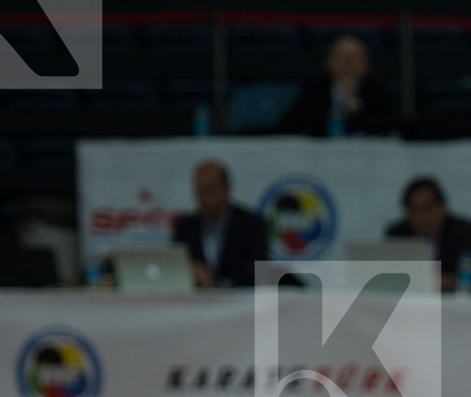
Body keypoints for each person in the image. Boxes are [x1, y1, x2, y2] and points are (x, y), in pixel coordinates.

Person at [172, 159, 271, 289]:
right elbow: (173, 270)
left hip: (241, 305)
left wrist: (215, 285)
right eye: (199, 191)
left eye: (210, 189)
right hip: (195, 306)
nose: (204, 197)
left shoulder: (252, 225)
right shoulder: (186, 227)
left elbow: (257, 273)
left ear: (226, 189)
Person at [280, 33, 402, 137]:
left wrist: (352, 108)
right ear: (328, 63)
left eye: (354, 58)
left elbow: (388, 131)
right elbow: (290, 128)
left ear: (367, 64)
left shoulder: (380, 94)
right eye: (342, 57)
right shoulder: (314, 92)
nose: (348, 63)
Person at [387, 177, 471, 293]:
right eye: (415, 209)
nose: (422, 216)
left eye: (427, 208)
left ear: (443, 207)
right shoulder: (397, 233)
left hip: (451, 304)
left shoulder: (463, 232)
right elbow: (390, 277)